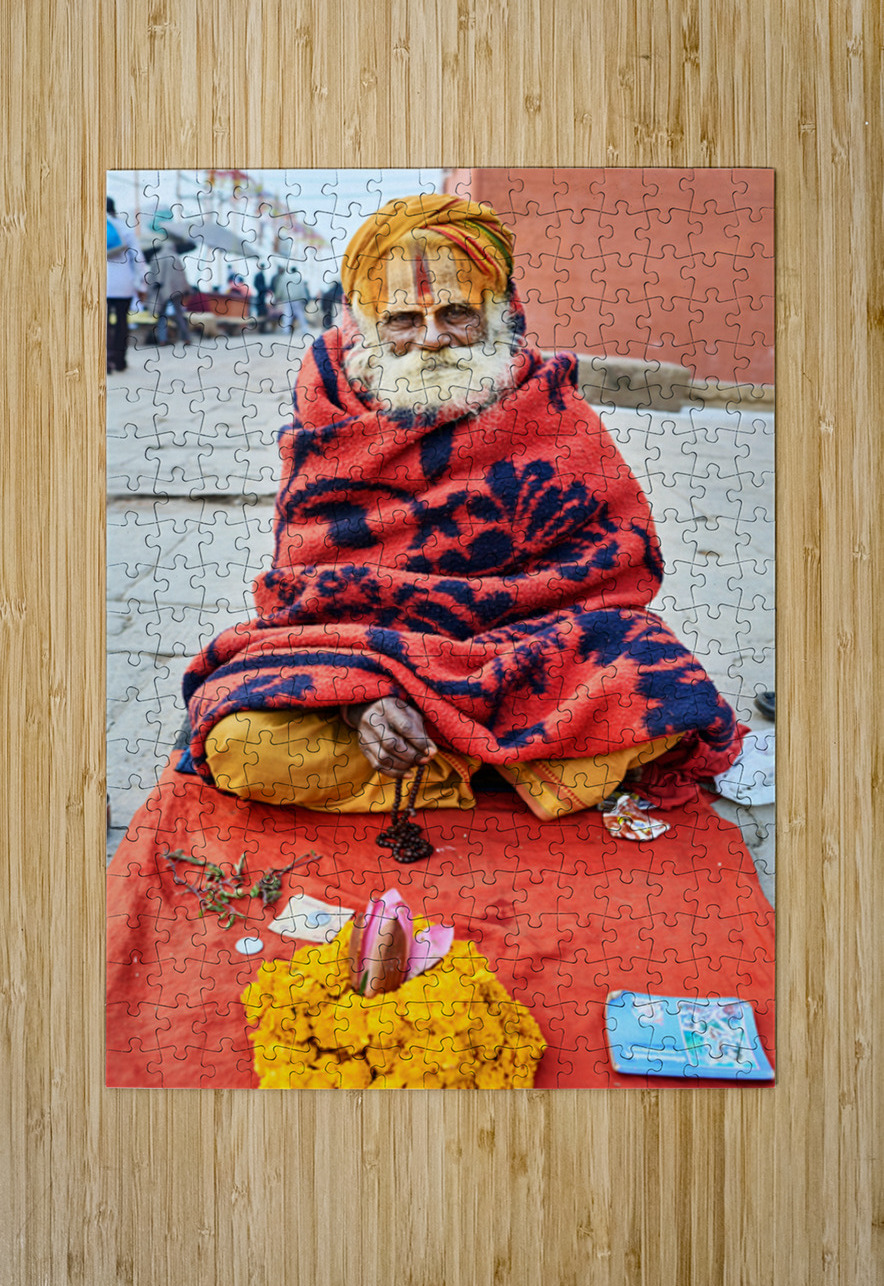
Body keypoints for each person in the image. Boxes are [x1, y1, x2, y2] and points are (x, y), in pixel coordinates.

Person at [180, 194, 746, 819]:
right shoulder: (331, 409)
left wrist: (506, 669)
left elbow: (617, 566)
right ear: (364, 325)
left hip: (523, 657)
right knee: (240, 746)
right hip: (375, 659)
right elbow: (307, 599)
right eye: (402, 320)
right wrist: (357, 698)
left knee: (662, 688)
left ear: (498, 314)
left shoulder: (547, 405)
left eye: (456, 313)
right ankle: (499, 770)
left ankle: (445, 767)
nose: (431, 338)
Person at [106, 197, 146, 372]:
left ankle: (105, 359)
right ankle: (119, 360)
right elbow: (138, 259)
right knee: (122, 321)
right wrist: (142, 285)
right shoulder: (124, 228)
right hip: (124, 284)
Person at [145, 239, 192, 347]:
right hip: (175, 291)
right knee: (179, 314)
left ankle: (162, 339)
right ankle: (186, 338)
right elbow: (182, 277)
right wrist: (187, 289)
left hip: (161, 290)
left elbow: (151, 277)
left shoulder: (155, 257)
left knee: (162, 315)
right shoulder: (175, 258)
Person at [278, 265, 311, 332]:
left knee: (287, 313)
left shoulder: (285, 277)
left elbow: (280, 288)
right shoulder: (299, 278)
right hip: (297, 299)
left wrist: (278, 296)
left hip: (287, 298)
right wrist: (304, 298)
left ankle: (286, 330)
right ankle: (304, 329)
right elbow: (302, 290)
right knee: (300, 313)